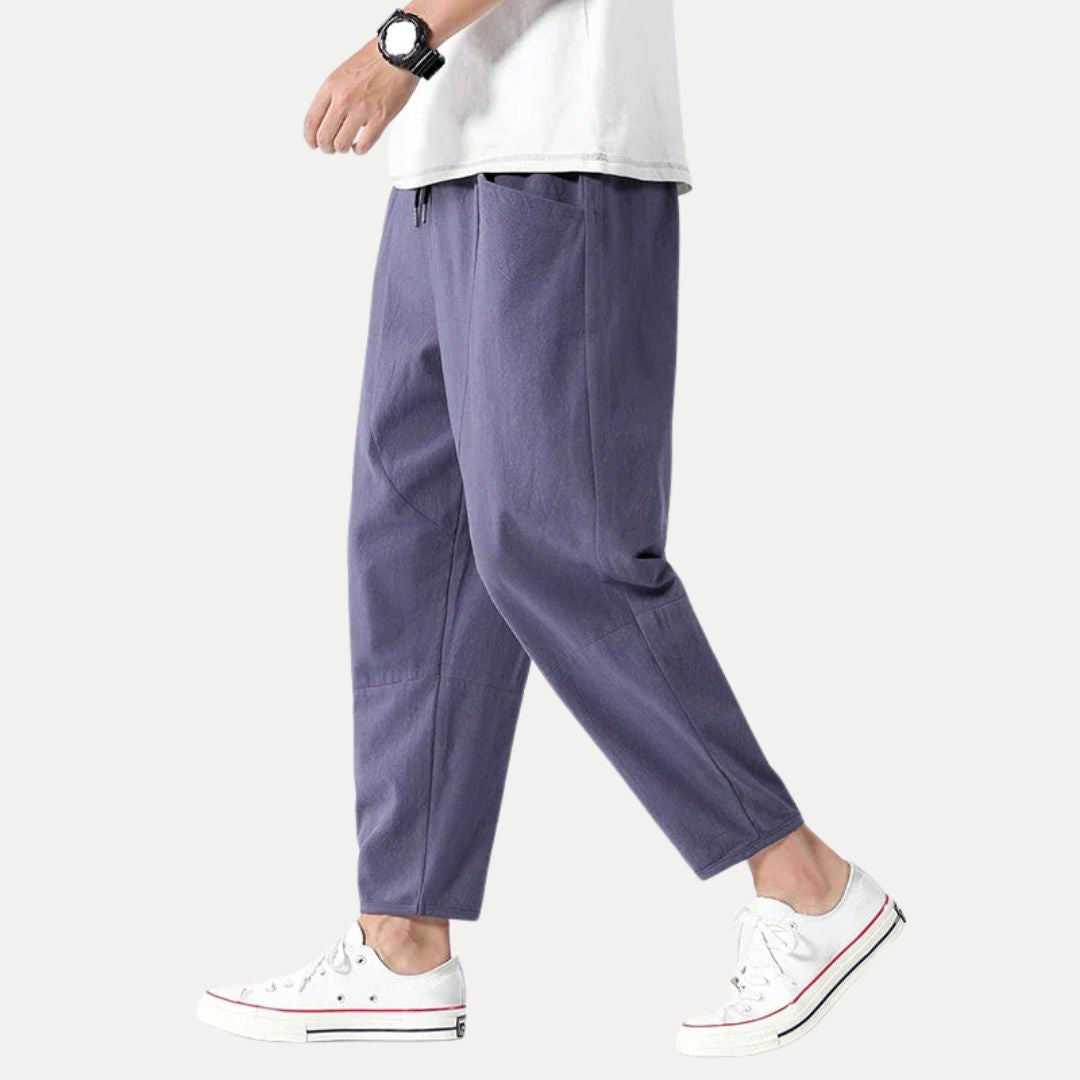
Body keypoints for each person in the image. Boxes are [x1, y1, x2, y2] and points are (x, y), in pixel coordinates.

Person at [197, 0, 904, 1057]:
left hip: (561, 150)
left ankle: (806, 881)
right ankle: (402, 940)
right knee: (413, 555)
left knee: (556, 546)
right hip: (442, 166)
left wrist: (402, 42)